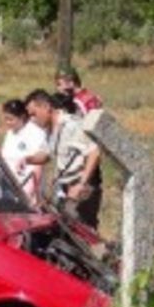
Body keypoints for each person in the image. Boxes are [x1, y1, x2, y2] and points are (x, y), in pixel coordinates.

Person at [26, 89, 103, 229]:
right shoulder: (51, 129)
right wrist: (27, 159)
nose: (32, 120)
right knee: (68, 232)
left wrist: (81, 184)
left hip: (81, 189)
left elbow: (94, 152)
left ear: (46, 107)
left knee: (84, 235)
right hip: (66, 189)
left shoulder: (71, 125)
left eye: (33, 114)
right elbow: (45, 154)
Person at [0, 99, 49, 204]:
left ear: (22, 117)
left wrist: (28, 194)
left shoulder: (36, 133)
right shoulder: (10, 133)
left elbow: (39, 164)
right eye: (6, 119)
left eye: (10, 119)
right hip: (9, 190)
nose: (7, 123)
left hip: (27, 193)